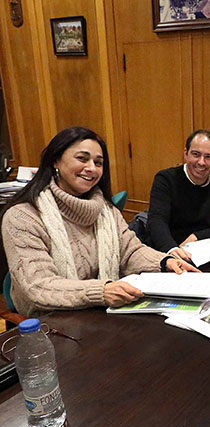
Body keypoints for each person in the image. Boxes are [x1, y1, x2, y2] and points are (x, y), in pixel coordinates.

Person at [1, 127, 198, 316]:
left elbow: (130, 251)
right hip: (49, 323)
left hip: (100, 313)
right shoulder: (22, 217)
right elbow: (37, 286)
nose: (91, 168)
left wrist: (165, 262)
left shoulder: (106, 210)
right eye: (82, 159)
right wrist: (101, 291)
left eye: (98, 162)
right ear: (55, 161)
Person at [148, 129, 210, 260]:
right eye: (196, 154)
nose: (201, 162)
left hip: (203, 251)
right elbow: (156, 221)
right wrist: (172, 250)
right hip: (169, 251)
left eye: (209, 157)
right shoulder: (165, 179)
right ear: (186, 154)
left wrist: (196, 237)